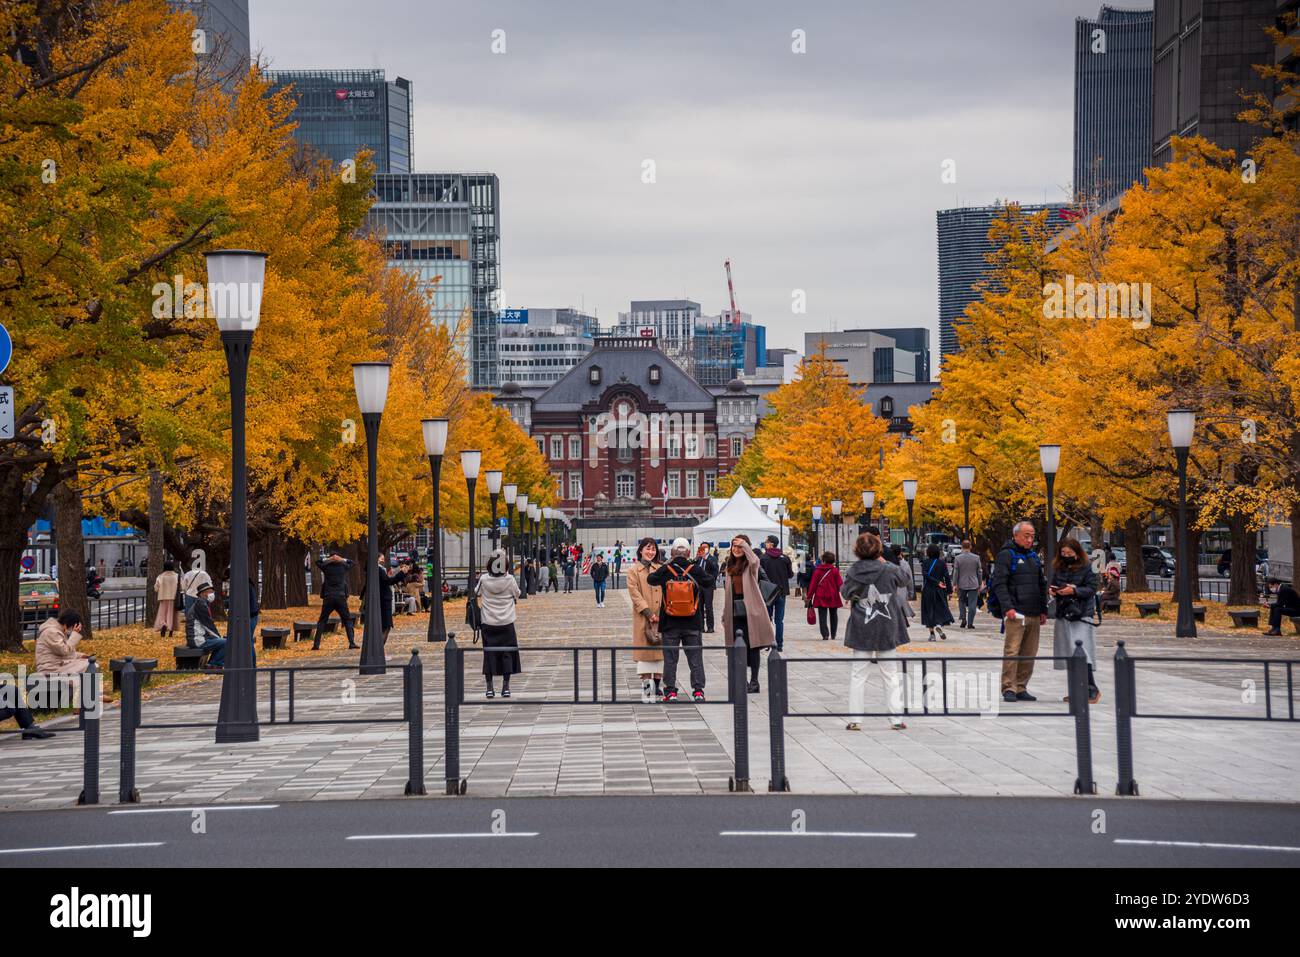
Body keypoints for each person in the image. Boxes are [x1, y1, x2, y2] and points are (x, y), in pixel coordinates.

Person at [840, 532, 911, 731]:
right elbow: (905, 579)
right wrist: (883, 560)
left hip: (862, 625)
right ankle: (896, 718)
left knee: (858, 674)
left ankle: (855, 719)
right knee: (890, 673)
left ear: (857, 551)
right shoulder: (888, 569)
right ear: (879, 549)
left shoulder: (854, 571)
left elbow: (845, 592)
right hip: (887, 625)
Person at [646, 537, 715, 701]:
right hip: (693, 622)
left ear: (672, 552)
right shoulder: (696, 569)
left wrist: (667, 564)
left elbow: (651, 579)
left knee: (670, 659)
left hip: (670, 622)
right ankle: (698, 691)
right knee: (695, 658)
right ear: (689, 552)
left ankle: (670, 691)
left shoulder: (666, 569)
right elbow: (710, 582)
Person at [989, 520, 1048, 703]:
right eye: (1026, 535)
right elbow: (999, 583)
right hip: (1016, 613)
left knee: (1029, 652)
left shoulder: (1033, 557)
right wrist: (1008, 608)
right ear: (1016, 536)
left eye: (1032, 536)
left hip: (1033, 612)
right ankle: (1009, 687)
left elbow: (1041, 584)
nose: (1030, 539)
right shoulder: (1006, 555)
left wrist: (1043, 609)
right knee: (1012, 651)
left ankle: (1021, 686)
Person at [718, 535, 776, 693]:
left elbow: (755, 561)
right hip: (734, 611)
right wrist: (724, 614)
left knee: (753, 647)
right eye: (734, 546)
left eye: (740, 547)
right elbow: (728, 593)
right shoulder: (729, 566)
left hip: (751, 611)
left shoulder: (750, 566)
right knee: (737, 648)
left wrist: (744, 544)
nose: (736, 550)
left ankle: (754, 681)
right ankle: (741, 680)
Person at [1051, 537, 1101, 704]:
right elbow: (1053, 583)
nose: (1066, 555)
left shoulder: (1087, 567)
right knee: (1069, 652)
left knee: (1082, 650)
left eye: (1070, 553)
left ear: (1077, 552)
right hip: (1063, 611)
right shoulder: (1059, 567)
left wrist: (1074, 591)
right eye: (1063, 553)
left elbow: (1092, 588)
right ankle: (1076, 689)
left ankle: (1091, 688)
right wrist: (1054, 591)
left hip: (1081, 613)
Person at [476, 549, 522, 698]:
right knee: (507, 653)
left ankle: (489, 688)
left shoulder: (484, 579)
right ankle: (506, 686)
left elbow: (476, 592)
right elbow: (518, 593)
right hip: (506, 622)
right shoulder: (509, 580)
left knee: (488, 653)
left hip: (488, 622)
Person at [626, 537, 666, 702]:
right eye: (647, 548)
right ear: (641, 550)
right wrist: (649, 613)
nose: (651, 552)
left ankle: (658, 686)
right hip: (644, 616)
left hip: (662, 616)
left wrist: (662, 612)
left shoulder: (661, 568)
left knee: (659, 654)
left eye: (653, 549)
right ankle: (646, 688)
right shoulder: (633, 570)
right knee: (644, 655)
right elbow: (635, 594)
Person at [313, 549, 357, 650]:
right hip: (341, 597)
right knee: (347, 620)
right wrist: (341, 559)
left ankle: (316, 644)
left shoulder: (326, 567)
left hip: (328, 597)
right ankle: (351, 642)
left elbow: (317, 562)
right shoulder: (343, 566)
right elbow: (352, 563)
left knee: (322, 621)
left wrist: (329, 559)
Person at [759, 535, 794, 651]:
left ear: (771, 544)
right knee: (779, 620)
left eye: (766, 542)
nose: (765, 544)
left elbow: (759, 575)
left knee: (768, 618)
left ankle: (768, 642)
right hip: (781, 591)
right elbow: (790, 575)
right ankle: (779, 644)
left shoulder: (763, 558)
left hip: (767, 592)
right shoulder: (784, 558)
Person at [185, 583, 227, 669]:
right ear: (203, 593)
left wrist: (218, 638)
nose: (212, 594)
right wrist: (219, 638)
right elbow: (208, 625)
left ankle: (213, 663)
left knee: (223, 641)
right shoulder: (200, 604)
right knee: (226, 642)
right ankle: (214, 664)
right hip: (197, 639)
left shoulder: (202, 603)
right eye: (210, 592)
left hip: (200, 637)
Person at [35, 611, 90, 675]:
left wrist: (80, 655)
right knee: (88, 665)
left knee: (89, 663)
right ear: (66, 624)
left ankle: (80, 684)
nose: (72, 630)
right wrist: (75, 634)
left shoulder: (59, 631)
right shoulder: (51, 632)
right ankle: (82, 684)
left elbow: (64, 653)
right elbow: (64, 650)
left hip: (58, 665)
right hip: (50, 669)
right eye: (73, 628)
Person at [920, 543, 954, 641]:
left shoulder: (925, 562)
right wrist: (949, 591)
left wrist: (935, 582)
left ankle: (932, 634)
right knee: (940, 609)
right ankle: (939, 625)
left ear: (928, 552)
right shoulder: (942, 563)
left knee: (928, 611)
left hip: (928, 590)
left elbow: (925, 575)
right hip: (940, 590)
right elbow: (947, 577)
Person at [807, 551, 844, 641]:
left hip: (820, 595)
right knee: (834, 615)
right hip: (833, 595)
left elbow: (813, 585)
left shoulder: (818, 571)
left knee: (822, 615)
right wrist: (845, 594)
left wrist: (809, 596)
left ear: (823, 560)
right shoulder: (835, 570)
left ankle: (825, 635)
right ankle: (833, 634)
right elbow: (840, 584)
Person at [953, 541, 983, 629]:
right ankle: (970, 622)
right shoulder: (976, 558)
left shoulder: (958, 558)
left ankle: (963, 618)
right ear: (970, 547)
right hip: (974, 583)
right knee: (972, 603)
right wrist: (980, 583)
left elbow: (956, 572)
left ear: (961, 547)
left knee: (961, 601)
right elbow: (979, 572)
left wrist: (954, 584)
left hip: (961, 583)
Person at [152, 560, 180, 638]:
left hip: (163, 597)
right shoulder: (176, 576)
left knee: (162, 614)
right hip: (173, 598)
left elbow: (156, 588)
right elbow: (182, 587)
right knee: (172, 615)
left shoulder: (160, 576)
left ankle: (163, 624)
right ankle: (171, 631)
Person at [696, 543, 719, 634]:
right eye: (702, 547)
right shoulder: (699, 559)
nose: (703, 549)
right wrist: (697, 558)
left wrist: (706, 558)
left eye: (705, 547)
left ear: (708, 549)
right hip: (699, 586)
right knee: (699, 607)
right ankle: (701, 627)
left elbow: (714, 569)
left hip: (708, 586)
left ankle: (710, 627)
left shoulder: (712, 558)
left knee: (708, 607)